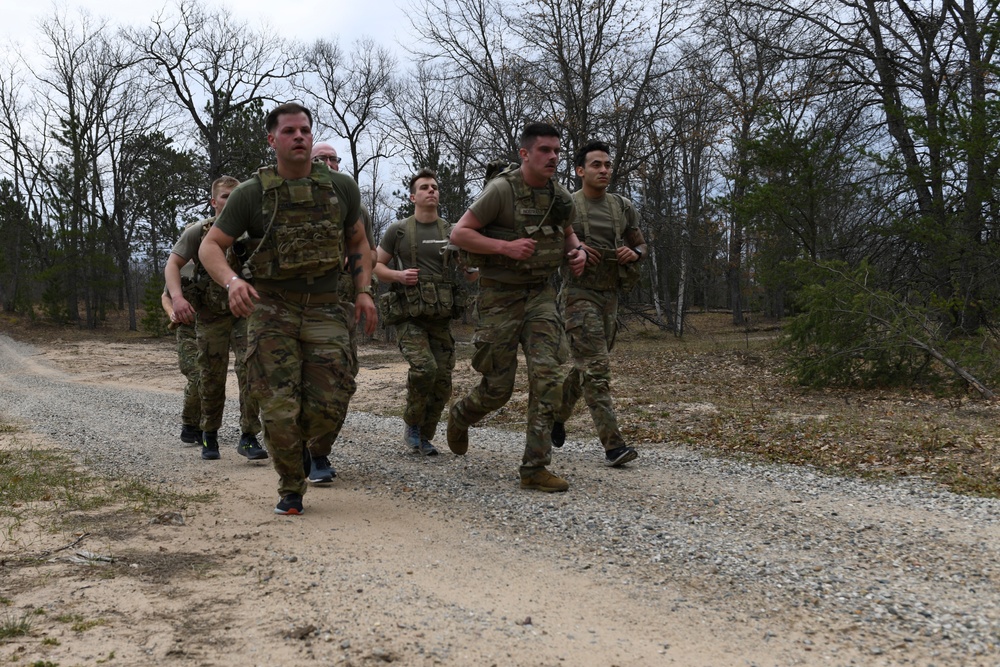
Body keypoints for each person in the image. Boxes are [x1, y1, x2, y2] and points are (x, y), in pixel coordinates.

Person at [198, 103, 376, 516]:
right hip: (272, 309)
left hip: (326, 307)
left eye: (305, 130)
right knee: (278, 406)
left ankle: (308, 452)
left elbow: (358, 243)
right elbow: (211, 246)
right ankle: (291, 486)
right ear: (272, 139)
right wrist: (233, 281)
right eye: (290, 131)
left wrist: (365, 291)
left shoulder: (341, 188)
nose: (300, 136)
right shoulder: (252, 193)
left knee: (332, 401)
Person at [447, 122, 586, 492]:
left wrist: (577, 252)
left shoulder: (561, 197)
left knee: (549, 378)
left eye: (557, 151)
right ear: (525, 154)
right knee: (498, 389)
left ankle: (534, 467)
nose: (553, 157)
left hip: (540, 295)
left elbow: (569, 233)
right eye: (545, 150)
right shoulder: (501, 191)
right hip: (500, 297)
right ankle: (460, 416)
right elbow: (459, 233)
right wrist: (505, 248)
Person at [552, 140, 646, 467]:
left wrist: (634, 253)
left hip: (611, 297)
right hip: (578, 295)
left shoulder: (622, 207)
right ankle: (614, 445)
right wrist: (572, 252)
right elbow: (548, 249)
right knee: (597, 369)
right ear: (580, 171)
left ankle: (555, 415)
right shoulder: (567, 207)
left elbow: (641, 245)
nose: (604, 170)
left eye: (607, 164)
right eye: (596, 165)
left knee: (585, 367)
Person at [164, 177, 266, 462]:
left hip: (244, 314)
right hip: (210, 317)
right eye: (224, 196)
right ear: (214, 201)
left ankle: (248, 436)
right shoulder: (199, 232)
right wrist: (178, 298)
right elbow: (173, 264)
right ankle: (210, 433)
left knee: (251, 371)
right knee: (210, 375)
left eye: (234, 196)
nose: (229, 200)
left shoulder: (251, 233)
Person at [301, 141, 378, 484]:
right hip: (292, 307)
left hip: (338, 308)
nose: (329, 164)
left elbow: (369, 251)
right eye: (322, 158)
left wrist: (363, 286)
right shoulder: (290, 199)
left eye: (334, 159)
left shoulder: (353, 206)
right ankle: (298, 447)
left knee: (341, 383)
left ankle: (318, 450)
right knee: (293, 383)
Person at [375, 168, 456, 457]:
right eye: (424, 187)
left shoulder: (451, 231)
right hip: (410, 316)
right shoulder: (398, 230)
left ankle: (424, 435)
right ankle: (412, 424)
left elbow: (470, 273)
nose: (431, 191)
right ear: (413, 196)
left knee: (444, 381)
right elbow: (377, 265)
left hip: (440, 317)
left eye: (434, 187)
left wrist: (473, 268)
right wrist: (398, 277)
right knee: (425, 369)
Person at [161, 259, 201, 444]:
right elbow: (166, 296)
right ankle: (190, 424)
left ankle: (207, 427)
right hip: (187, 331)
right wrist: (172, 312)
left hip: (215, 328)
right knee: (196, 375)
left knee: (212, 379)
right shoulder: (180, 266)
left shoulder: (217, 260)